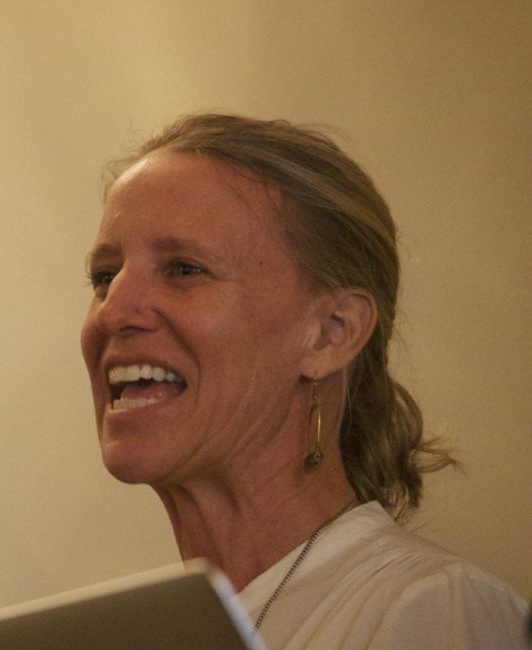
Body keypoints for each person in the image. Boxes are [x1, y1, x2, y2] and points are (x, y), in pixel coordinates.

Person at [79, 113, 529, 649]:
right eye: (105, 277)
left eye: (183, 268)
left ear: (329, 334)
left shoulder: (434, 609)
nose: (112, 311)